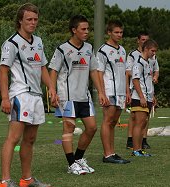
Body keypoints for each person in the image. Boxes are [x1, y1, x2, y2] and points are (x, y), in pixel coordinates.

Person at [0, 3, 57, 187]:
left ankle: (27, 178)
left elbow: (42, 68)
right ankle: (5, 181)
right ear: (20, 21)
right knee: (13, 138)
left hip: (36, 96)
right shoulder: (11, 43)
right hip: (20, 95)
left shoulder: (38, 41)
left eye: (35, 19)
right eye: (29, 19)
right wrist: (5, 98)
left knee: (30, 139)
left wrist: (52, 89)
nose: (33, 23)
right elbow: (3, 71)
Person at [49, 15, 108, 175]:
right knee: (69, 128)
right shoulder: (62, 49)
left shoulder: (88, 48)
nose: (87, 32)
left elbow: (94, 70)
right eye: (83, 29)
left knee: (92, 127)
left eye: (88, 29)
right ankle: (71, 164)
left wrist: (101, 92)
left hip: (84, 96)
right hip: (67, 96)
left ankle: (78, 159)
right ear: (74, 30)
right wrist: (52, 91)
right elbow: (53, 70)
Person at [96, 20, 130, 164]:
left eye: (121, 32)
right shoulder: (103, 50)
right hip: (109, 90)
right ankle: (107, 154)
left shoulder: (122, 50)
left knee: (114, 122)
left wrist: (127, 91)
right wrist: (101, 92)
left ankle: (113, 152)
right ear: (109, 33)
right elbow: (99, 72)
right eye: (116, 32)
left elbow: (125, 73)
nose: (119, 35)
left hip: (121, 91)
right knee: (107, 121)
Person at [125, 31, 159, 149]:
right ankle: (136, 149)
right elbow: (135, 80)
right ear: (146, 49)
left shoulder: (148, 63)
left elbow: (149, 80)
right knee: (139, 123)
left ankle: (140, 147)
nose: (154, 54)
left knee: (143, 122)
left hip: (147, 96)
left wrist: (152, 96)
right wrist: (141, 97)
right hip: (139, 97)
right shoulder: (138, 62)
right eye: (152, 51)